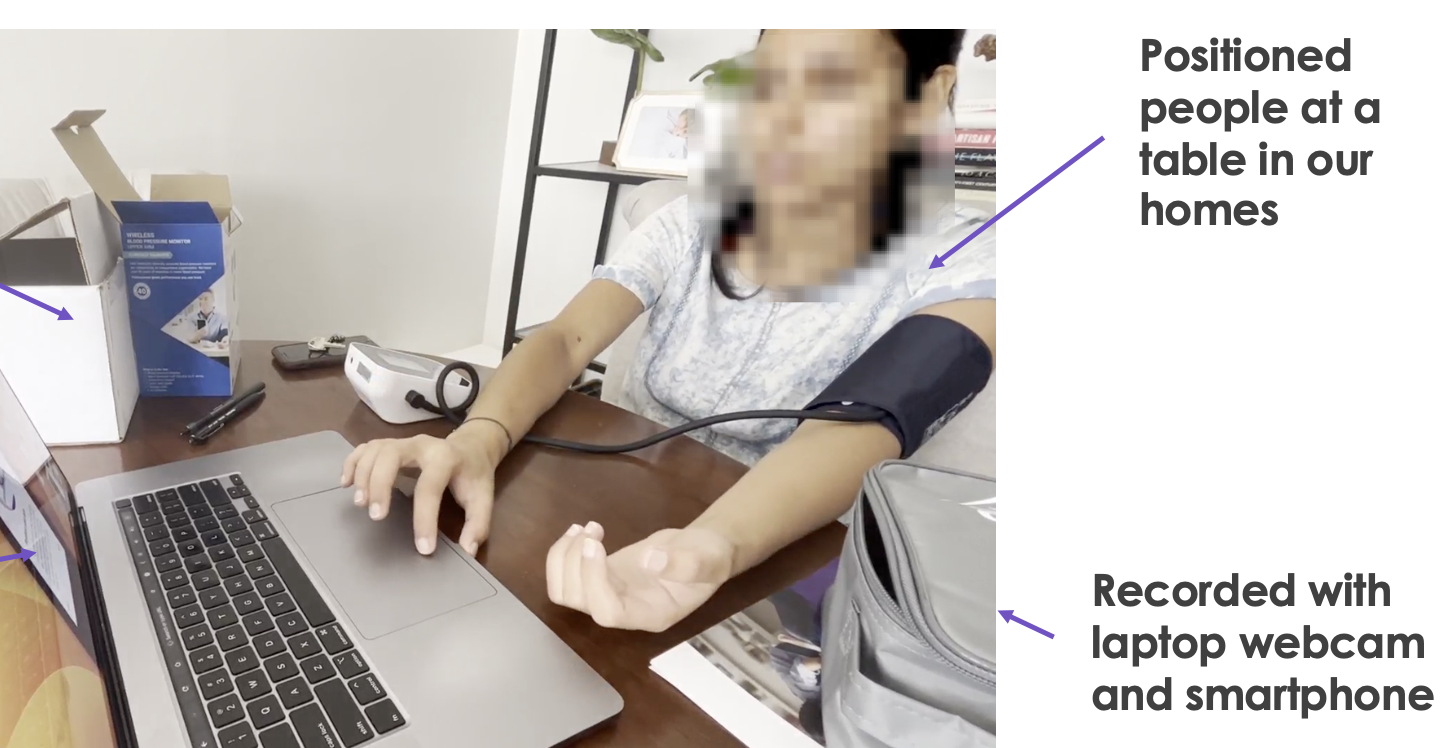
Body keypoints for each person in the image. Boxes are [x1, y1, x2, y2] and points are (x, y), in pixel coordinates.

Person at [338, 29, 995, 633]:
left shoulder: (970, 261)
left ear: (929, 92)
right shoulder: (695, 220)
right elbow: (567, 338)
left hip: (774, 567)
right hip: (603, 517)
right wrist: (479, 438)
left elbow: (862, 420)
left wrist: (713, 545)